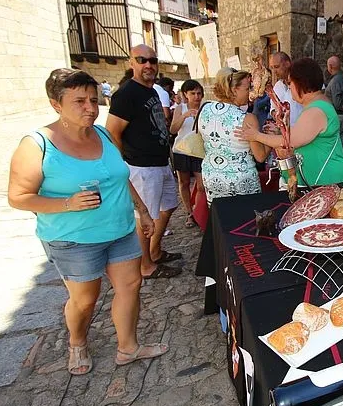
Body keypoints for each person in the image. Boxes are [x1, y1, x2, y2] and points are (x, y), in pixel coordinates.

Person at [7, 68, 168, 375]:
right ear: (56, 104)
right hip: (73, 238)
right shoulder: (38, 144)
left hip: (120, 229)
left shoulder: (104, 135)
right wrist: (67, 203)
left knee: (130, 285)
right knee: (85, 299)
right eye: (79, 101)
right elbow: (18, 196)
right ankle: (77, 342)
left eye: (94, 100)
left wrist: (143, 210)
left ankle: (128, 347)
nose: (91, 108)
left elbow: (119, 177)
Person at [106, 44, 182, 279]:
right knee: (144, 218)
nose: (148, 65)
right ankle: (145, 265)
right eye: (142, 60)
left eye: (152, 60)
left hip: (160, 163)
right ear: (131, 63)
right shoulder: (126, 94)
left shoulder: (151, 91)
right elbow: (112, 132)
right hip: (141, 166)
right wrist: (123, 165)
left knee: (168, 206)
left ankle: (154, 251)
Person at [237, 58, 343, 187]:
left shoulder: (316, 110)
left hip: (326, 178)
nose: (290, 87)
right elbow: (303, 134)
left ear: (301, 83)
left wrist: (256, 136)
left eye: (291, 82)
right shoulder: (317, 105)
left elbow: (290, 141)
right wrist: (280, 131)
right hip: (322, 177)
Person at [198, 67, 269, 202]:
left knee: (220, 213)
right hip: (241, 181)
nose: (250, 92)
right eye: (247, 88)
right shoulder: (247, 118)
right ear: (234, 90)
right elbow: (260, 156)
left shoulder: (205, 109)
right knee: (246, 215)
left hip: (212, 177)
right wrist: (271, 137)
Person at [171, 79, 205, 228]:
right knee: (184, 182)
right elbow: (173, 129)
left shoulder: (205, 108)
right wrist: (184, 116)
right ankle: (189, 213)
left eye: (199, 93)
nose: (196, 97)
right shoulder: (180, 108)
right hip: (181, 149)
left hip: (199, 150)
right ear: (186, 94)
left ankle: (198, 211)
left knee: (201, 185)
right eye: (193, 93)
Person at [269, 52, 303, 126]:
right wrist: (277, 115)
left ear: (287, 64)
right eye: (272, 68)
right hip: (285, 130)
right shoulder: (277, 86)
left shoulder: (303, 81)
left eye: (277, 67)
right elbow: (273, 108)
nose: (274, 71)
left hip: (304, 128)